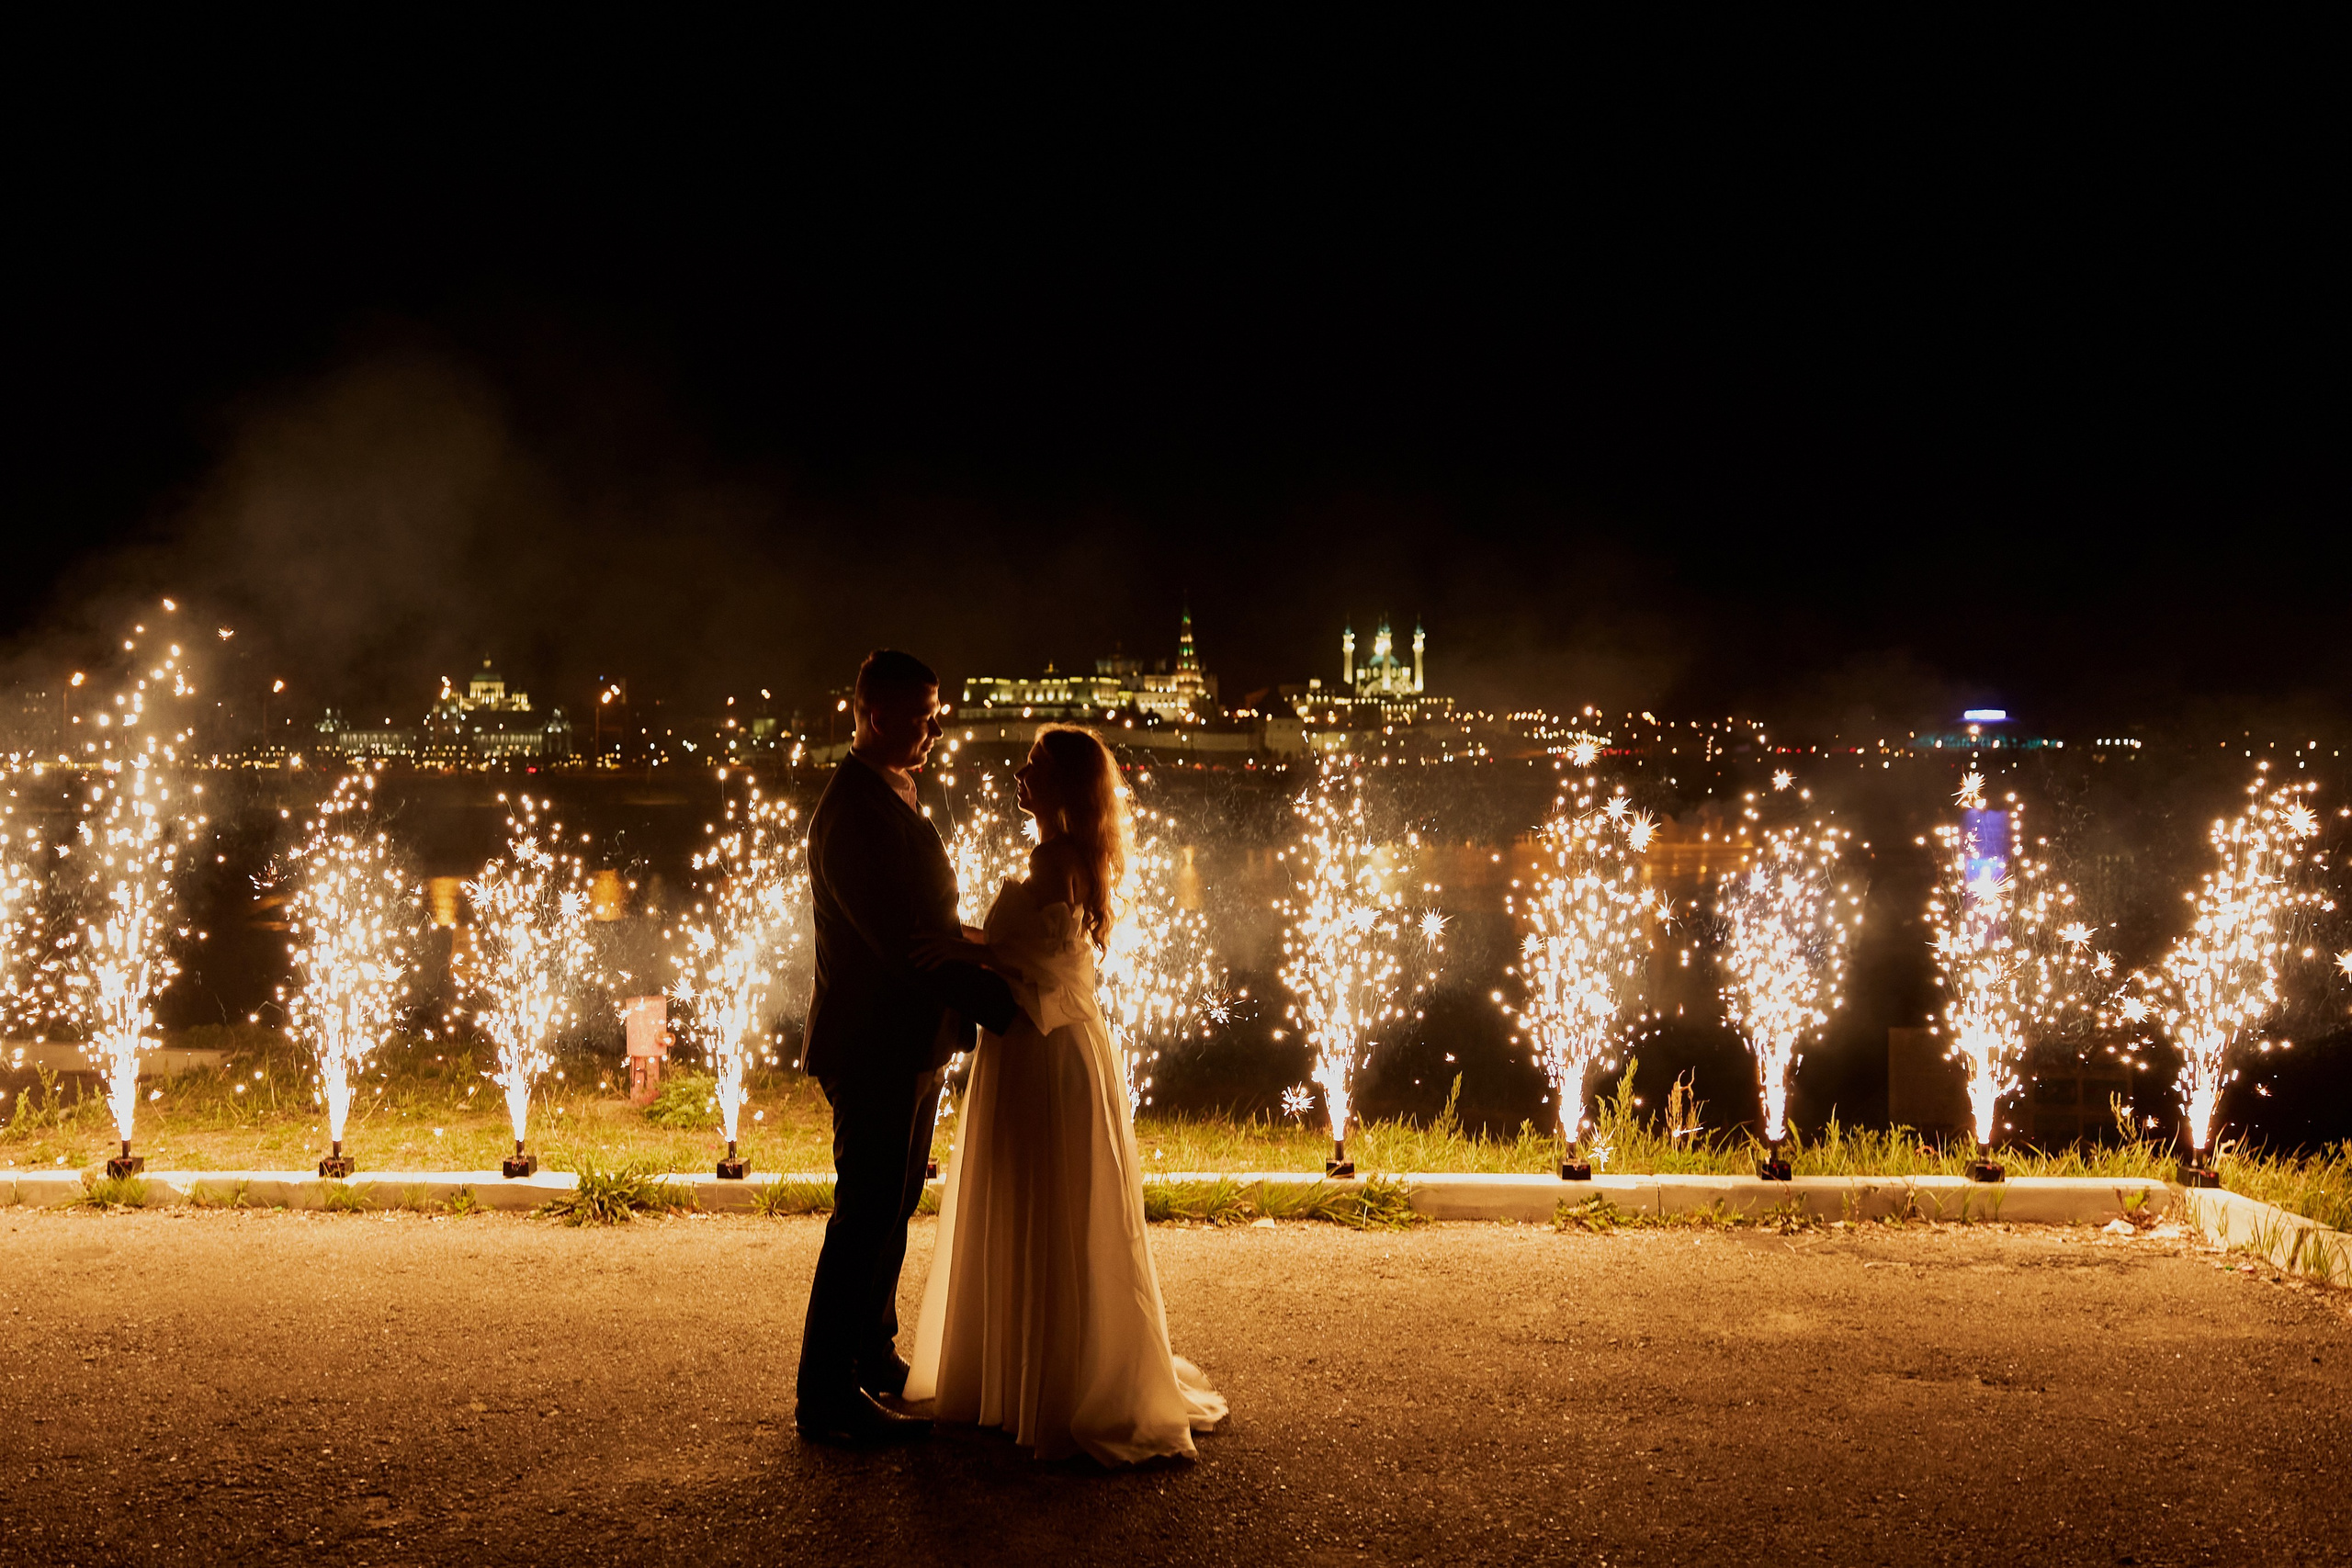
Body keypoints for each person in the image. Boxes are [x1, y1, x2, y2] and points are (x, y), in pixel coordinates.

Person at [905, 724, 1227, 1464]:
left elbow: (1041, 960)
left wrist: (965, 946)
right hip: (1062, 1046)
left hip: (1040, 1053)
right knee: (1061, 1206)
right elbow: (1050, 950)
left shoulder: (1054, 858)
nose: (1019, 775)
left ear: (1062, 788)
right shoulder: (1078, 857)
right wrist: (975, 941)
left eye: (1034, 768)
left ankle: (1033, 1380)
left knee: (1034, 1199)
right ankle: (1054, 1368)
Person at [796, 649, 1019, 1445]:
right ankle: (824, 1395)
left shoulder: (889, 792)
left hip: (910, 1042)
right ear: (875, 713)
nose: (934, 727)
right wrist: (1012, 1005)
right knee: (864, 1212)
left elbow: (930, 934)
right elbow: (905, 946)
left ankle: (872, 1351)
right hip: (872, 1044)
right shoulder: (853, 813)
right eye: (923, 714)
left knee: (893, 1205)